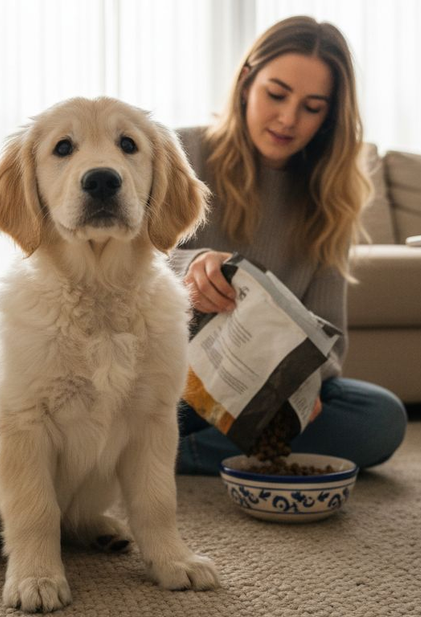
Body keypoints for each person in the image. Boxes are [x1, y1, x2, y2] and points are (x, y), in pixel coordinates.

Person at [170, 16, 407, 475]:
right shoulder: (181, 152)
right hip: (173, 380)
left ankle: (175, 457)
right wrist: (190, 266)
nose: (288, 119)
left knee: (381, 417)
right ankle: (195, 450)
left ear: (329, 116)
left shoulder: (330, 199)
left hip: (265, 391)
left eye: (313, 107)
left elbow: (330, 339)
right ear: (245, 83)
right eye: (276, 95)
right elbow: (121, 270)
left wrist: (301, 386)